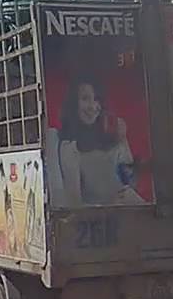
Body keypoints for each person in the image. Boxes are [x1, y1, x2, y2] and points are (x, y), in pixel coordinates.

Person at [44, 75, 144, 207]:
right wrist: (111, 205)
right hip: (101, 215)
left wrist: (123, 140)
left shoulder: (111, 135)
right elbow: (74, 203)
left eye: (96, 99)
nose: (92, 106)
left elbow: (131, 182)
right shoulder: (69, 146)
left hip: (130, 205)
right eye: (85, 99)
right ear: (74, 103)